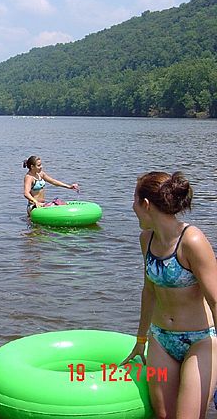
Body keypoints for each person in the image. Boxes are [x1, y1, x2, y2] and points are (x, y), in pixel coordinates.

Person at [121, 171, 217, 418]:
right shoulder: (147, 239)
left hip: (200, 340)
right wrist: (141, 341)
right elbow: (149, 291)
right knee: (163, 415)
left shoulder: (192, 241)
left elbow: (215, 300)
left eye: (134, 201)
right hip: (161, 339)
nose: (132, 207)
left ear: (146, 204)